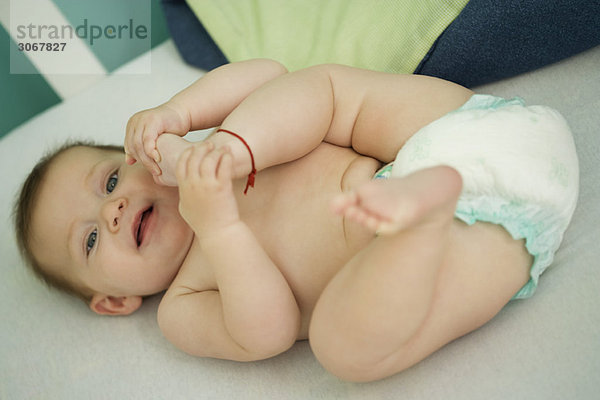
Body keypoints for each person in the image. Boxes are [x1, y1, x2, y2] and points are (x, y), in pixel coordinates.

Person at [14, 59, 578, 382]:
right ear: (112, 300)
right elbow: (268, 331)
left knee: (322, 91)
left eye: (110, 181)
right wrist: (219, 227)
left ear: (138, 152)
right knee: (343, 349)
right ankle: (417, 227)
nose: (111, 212)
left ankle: (416, 208)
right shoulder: (185, 303)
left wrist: (185, 117)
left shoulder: (224, 140)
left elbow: (269, 72)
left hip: (462, 138)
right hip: (485, 235)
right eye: (89, 239)